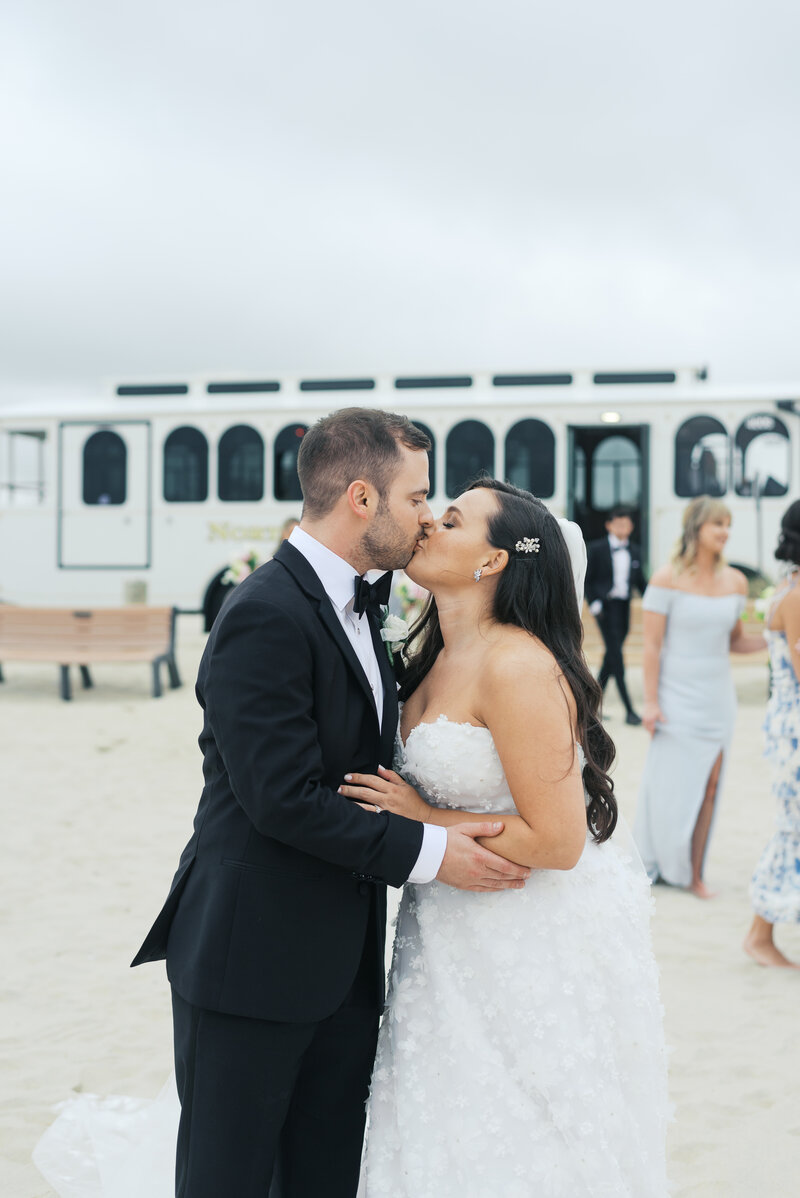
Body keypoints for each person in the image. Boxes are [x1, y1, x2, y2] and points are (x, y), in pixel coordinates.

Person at [129, 407, 529, 1198]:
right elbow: (283, 800)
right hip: (249, 964)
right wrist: (437, 852)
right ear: (360, 499)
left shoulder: (366, 602)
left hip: (343, 972)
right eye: (416, 497)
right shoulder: (262, 615)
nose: (425, 516)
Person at [337, 480, 670, 1196]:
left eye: (451, 520)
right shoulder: (431, 652)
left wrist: (424, 820)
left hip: (522, 932)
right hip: (447, 930)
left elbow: (558, 842)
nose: (427, 522)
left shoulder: (519, 666)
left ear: (492, 562)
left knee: (517, 1132)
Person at [633, 496, 766, 898]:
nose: (725, 531)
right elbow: (652, 647)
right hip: (675, 698)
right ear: (696, 530)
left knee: (710, 785)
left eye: (727, 524)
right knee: (671, 785)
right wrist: (652, 702)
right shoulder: (667, 578)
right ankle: (658, 859)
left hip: (717, 698)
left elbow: (736, 642)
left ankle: (694, 873)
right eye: (717, 524)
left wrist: (776, 639)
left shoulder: (737, 582)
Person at [743, 499, 800, 968]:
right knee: (793, 827)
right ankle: (759, 934)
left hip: (787, 720)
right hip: (797, 727)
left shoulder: (789, 585)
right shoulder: (797, 594)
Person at [585, 505, 647, 724]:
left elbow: (642, 583)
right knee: (616, 657)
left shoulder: (635, 551)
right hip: (604, 608)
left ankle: (588, 709)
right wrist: (593, 603)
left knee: (611, 657)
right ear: (609, 525)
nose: (623, 527)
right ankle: (630, 710)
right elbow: (587, 579)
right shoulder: (597, 548)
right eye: (618, 523)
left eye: (626, 523)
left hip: (624, 607)